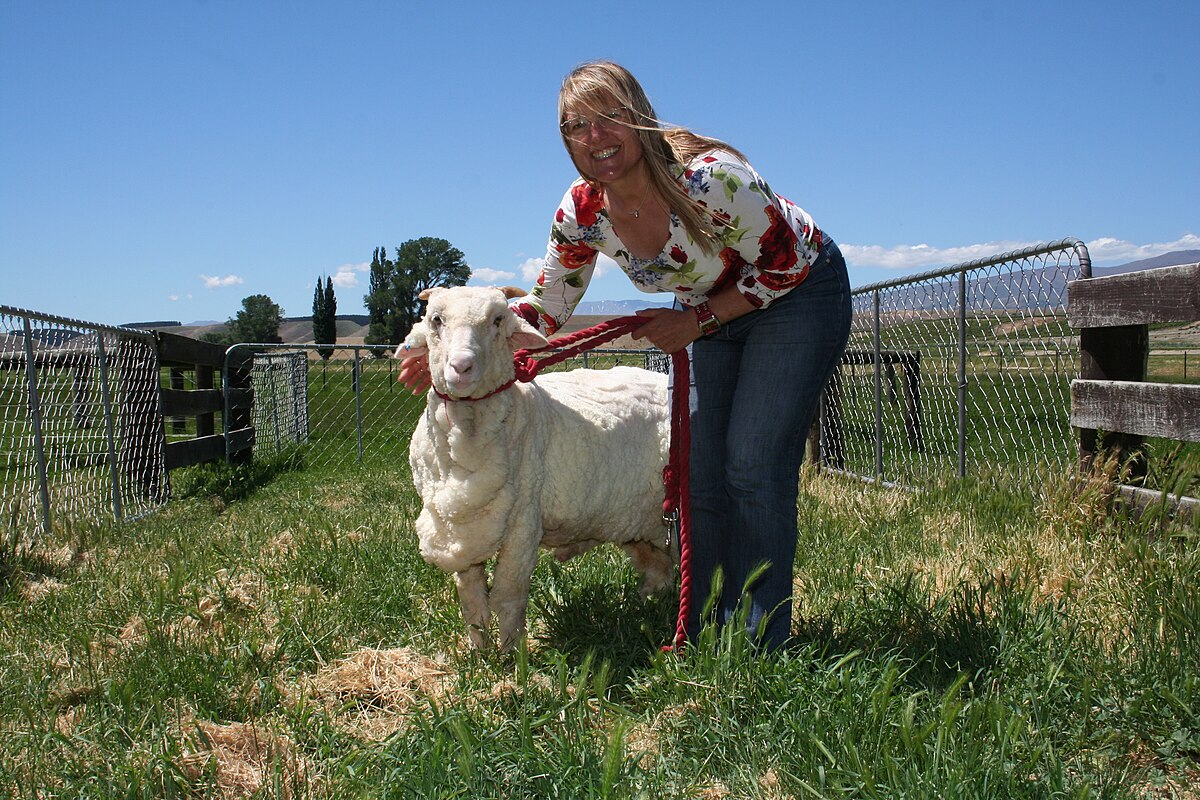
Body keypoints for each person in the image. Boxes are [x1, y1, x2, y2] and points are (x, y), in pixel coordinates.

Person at [400, 60, 852, 652]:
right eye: (576, 126)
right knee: (702, 469)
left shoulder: (709, 181)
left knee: (751, 464)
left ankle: (762, 641)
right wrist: (465, 342)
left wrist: (696, 320)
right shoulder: (582, 210)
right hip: (707, 309)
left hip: (797, 294)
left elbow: (788, 260)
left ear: (639, 117)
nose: (596, 137)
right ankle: (709, 624)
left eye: (610, 116)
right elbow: (548, 305)